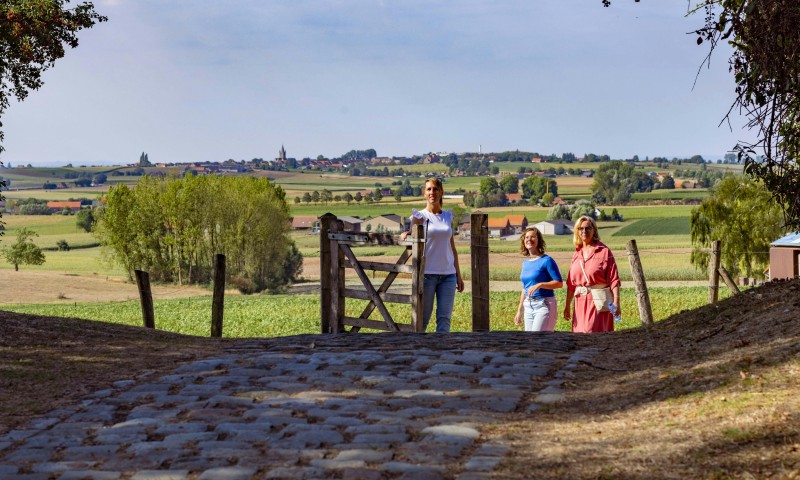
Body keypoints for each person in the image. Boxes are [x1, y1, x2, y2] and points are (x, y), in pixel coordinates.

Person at [400, 178, 464, 332]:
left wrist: (458, 275)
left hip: (448, 275)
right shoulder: (419, 216)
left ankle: (441, 353)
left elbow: (452, 248)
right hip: (427, 274)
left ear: (441, 192)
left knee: (444, 318)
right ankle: (420, 351)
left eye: (435, 189)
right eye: (428, 189)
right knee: (423, 318)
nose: (432, 193)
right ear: (424, 193)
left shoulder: (447, 216)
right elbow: (412, 235)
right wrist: (406, 234)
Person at [563, 215, 621, 333]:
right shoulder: (577, 253)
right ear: (577, 232)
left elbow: (614, 279)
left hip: (599, 302)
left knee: (593, 333)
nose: (584, 231)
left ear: (594, 230)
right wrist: (567, 305)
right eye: (581, 228)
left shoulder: (604, 251)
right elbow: (570, 284)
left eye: (588, 228)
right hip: (579, 303)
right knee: (579, 335)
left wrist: (616, 303)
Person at [514, 226, 563, 331]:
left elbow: (559, 283)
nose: (529, 240)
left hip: (544, 305)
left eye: (533, 237)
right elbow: (525, 288)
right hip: (528, 306)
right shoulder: (525, 263)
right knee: (531, 342)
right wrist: (519, 311)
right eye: (527, 237)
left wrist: (541, 284)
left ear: (539, 240)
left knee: (540, 340)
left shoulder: (547, 260)